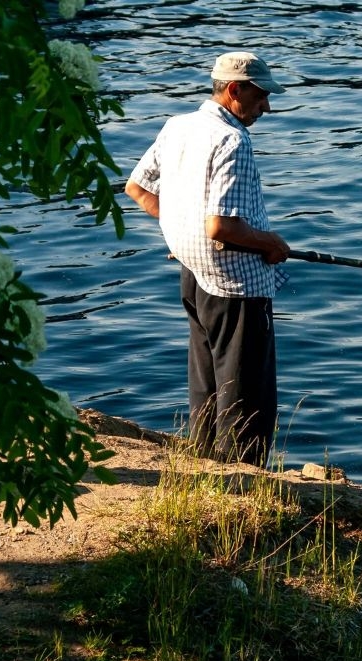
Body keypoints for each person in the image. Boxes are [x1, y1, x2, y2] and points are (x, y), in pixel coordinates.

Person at [124, 51, 290, 466]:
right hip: (236, 287)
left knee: (207, 385)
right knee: (245, 394)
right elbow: (222, 228)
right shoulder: (232, 140)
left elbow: (138, 189)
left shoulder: (178, 126)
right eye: (261, 95)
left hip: (193, 275)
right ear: (234, 89)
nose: (266, 107)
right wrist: (271, 242)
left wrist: (182, 229)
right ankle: (242, 482)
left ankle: (203, 467)